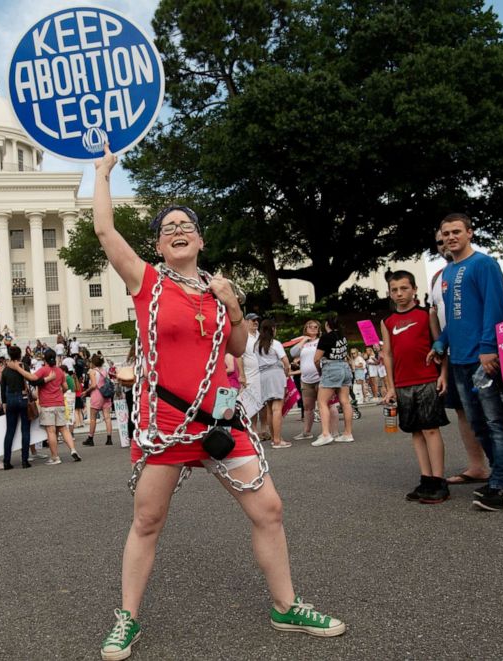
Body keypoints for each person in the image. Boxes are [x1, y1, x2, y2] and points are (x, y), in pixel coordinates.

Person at [93, 144, 344, 661]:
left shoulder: (217, 290)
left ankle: (286, 605)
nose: (178, 229)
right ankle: (126, 619)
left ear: (201, 239)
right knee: (147, 522)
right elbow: (104, 232)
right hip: (166, 424)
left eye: (187, 224)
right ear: (158, 246)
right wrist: (102, 172)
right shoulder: (146, 282)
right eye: (167, 227)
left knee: (269, 509)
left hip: (221, 422)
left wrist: (233, 305)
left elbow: (236, 347)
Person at [430, 213, 503, 512]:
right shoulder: (447, 273)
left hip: (484, 358)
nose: (451, 236)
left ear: (470, 232)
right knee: (478, 424)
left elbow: (495, 307)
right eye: (446, 233)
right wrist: (441, 342)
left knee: (497, 421)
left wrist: (488, 347)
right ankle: (502, 476)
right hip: (459, 360)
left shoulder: (484, 264)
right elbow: (454, 317)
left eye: (457, 231)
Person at [381, 271, 450, 504]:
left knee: (431, 429)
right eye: (394, 290)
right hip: (402, 384)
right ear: (389, 293)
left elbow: (439, 344)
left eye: (404, 288)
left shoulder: (426, 314)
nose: (399, 294)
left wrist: (443, 375)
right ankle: (426, 478)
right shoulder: (387, 322)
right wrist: (390, 387)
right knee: (416, 432)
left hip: (428, 379)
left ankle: (439, 481)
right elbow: (387, 354)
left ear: (414, 289)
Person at [13, 349, 81, 465]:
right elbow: (65, 387)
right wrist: (58, 390)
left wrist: (18, 368)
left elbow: (32, 378)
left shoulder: (44, 370)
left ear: (44, 358)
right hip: (59, 402)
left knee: (51, 431)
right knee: (64, 429)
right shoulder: (59, 371)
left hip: (47, 404)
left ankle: (55, 457)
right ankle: (73, 450)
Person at [312, 314, 355, 446]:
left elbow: (316, 359)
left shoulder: (325, 337)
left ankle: (326, 434)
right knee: (345, 402)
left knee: (322, 402)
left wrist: (319, 371)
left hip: (331, 368)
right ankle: (348, 433)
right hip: (344, 366)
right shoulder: (342, 336)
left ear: (327, 324)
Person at [256, 319, 291, 448]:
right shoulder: (275, 343)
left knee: (270, 409)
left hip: (263, 376)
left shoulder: (257, 344)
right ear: (272, 329)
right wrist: (287, 373)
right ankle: (277, 440)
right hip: (275, 374)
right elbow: (285, 361)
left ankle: (274, 437)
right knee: (277, 408)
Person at [0, 345, 35, 469]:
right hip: (23, 397)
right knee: (25, 430)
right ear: (20, 355)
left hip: (10, 399)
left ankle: (6, 461)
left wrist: (4, 403)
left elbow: (2, 388)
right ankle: (24, 460)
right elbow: (32, 381)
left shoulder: (5, 370)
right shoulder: (24, 367)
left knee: (10, 431)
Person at [291, 320, 322, 441]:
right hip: (306, 379)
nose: (313, 328)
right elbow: (293, 353)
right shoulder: (303, 343)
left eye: (316, 327)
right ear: (306, 328)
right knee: (308, 407)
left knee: (324, 405)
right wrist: (304, 339)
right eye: (310, 327)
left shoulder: (320, 341)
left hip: (319, 377)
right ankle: (306, 432)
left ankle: (327, 431)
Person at [238, 313, 264, 432]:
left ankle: (264, 428)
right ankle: (254, 429)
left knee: (265, 403)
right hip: (250, 375)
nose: (255, 322)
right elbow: (239, 357)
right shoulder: (243, 337)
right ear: (246, 322)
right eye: (253, 320)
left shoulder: (261, 336)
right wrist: (242, 375)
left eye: (257, 320)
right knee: (253, 402)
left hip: (263, 374)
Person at [84, 354, 114, 446]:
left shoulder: (92, 372)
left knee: (93, 418)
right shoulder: (104, 371)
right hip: (106, 394)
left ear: (93, 363)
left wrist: (86, 391)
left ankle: (90, 438)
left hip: (97, 395)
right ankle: (109, 438)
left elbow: (93, 385)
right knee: (107, 417)